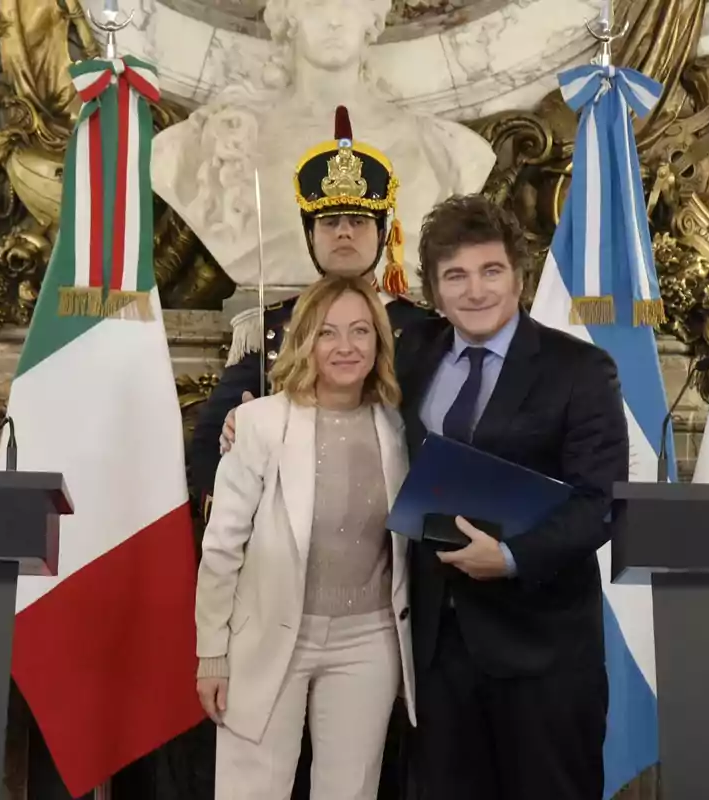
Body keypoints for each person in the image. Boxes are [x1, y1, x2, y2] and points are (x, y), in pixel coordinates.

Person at [221, 194, 629, 798]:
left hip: (541, 650)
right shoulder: (410, 354)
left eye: (491, 271)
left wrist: (512, 557)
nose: (475, 290)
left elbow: (600, 501)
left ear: (519, 275)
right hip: (430, 648)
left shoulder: (582, 369)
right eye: (455, 276)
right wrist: (254, 417)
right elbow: (337, 404)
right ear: (434, 290)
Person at [194, 275, 416, 800]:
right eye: (327, 332)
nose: (345, 347)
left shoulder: (401, 428)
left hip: (369, 639)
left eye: (360, 331)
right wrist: (212, 655)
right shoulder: (257, 424)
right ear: (304, 341)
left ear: (379, 342)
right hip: (268, 635)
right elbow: (221, 548)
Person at [189, 104, 433, 520]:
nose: (342, 231)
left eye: (357, 220)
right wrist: (235, 442)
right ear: (310, 235)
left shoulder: (426, 331)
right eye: (329, 221)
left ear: (383, 233)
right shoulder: (268, 328)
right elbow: (209, 445)